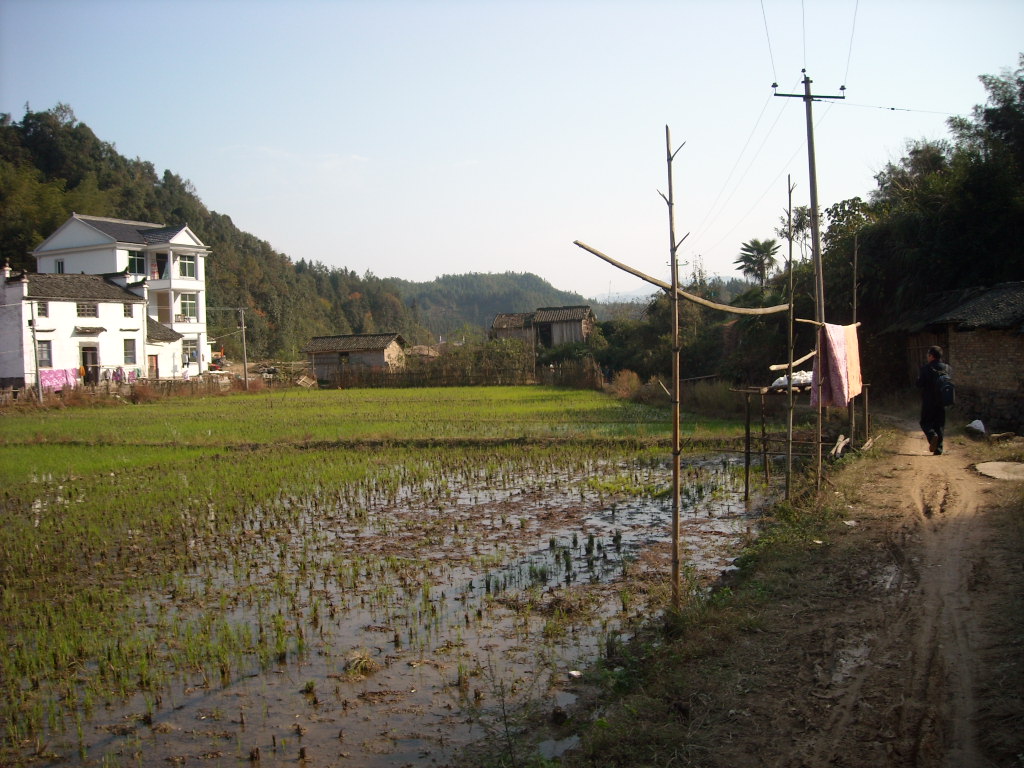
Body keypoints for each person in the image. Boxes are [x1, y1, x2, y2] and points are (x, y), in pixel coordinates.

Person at [916, 345, 951, 455]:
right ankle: (938, 449)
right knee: (939, 424)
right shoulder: (947, 368)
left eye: (928, 355)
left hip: (929, 400)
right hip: (942, 401)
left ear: (931, 356)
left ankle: (932, 436)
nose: (927, 357)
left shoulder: (926, 368)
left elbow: (919, 384)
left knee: (925, 422)